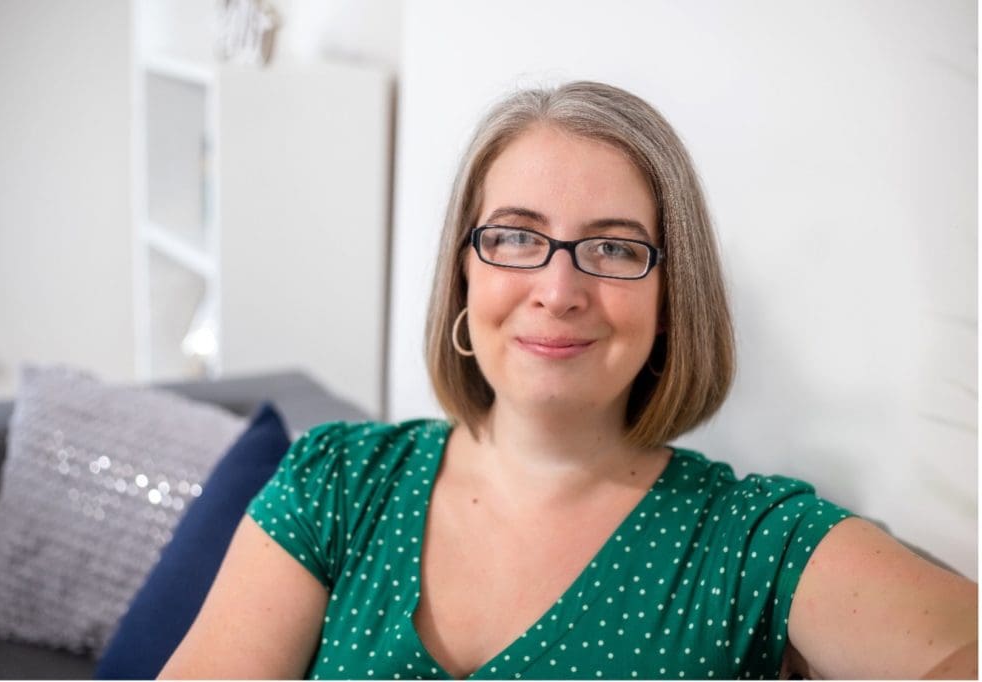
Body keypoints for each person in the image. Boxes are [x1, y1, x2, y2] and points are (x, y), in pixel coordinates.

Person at [160, 81, 977, 679]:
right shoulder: (336, 479)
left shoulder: (751, 541)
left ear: (671, 298)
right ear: (464, 276)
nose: (558, 289)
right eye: (516, 238)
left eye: (615, 248)